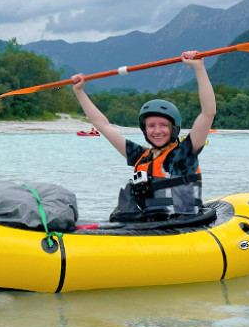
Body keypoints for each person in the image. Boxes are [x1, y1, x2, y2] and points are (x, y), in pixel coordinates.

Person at [71, 51, 217, 222]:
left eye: (164, 125)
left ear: (174, 129)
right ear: (144, 129)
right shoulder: (140, 156)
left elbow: (208, 113)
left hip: (185, 227)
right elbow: (103, 125)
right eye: (151, 126)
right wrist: (79, 92)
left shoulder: (184, 154)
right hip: (151, 228)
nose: (157, 131)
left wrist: (199, 67)